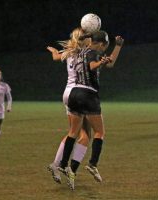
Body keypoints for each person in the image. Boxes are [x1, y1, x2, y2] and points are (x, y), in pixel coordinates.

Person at [58, 30, 124, 190]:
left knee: (74, 132)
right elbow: (92, 65)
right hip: (88, 94)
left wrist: (117, 47)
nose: (103, 50)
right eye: (105, 47)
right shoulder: (92, 52)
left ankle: (63, 164)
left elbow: (110, 63)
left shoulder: (81, 51)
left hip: (74, 93)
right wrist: (99, 63)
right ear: (101, 44)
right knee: (99, 133)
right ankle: (93, 164)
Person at [46, 27, 92, 184]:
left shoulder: (70, 52)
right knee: (81, 134)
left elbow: (55, 57)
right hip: (79, 94)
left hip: (67, 93)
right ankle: (65, 167)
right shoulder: (84, 52)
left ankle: (58, 164)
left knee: (80, 133)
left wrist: (53, 51)